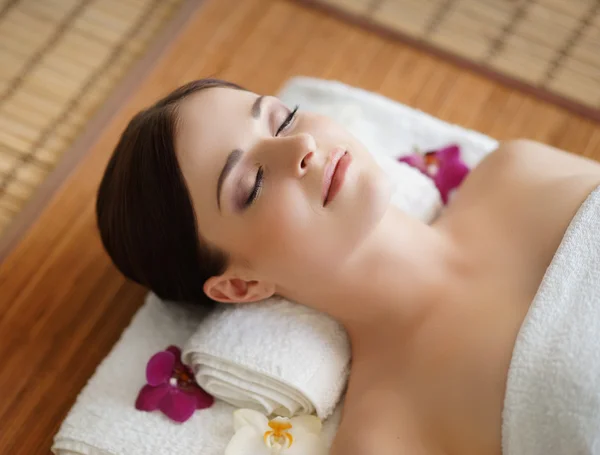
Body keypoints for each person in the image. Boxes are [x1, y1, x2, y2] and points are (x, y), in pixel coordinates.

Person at [96, 79, 600, 455]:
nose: (300, 148)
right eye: (250, 185)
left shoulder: (520, 171)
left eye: (282, 120)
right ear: (241, 285)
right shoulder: (389, 436)